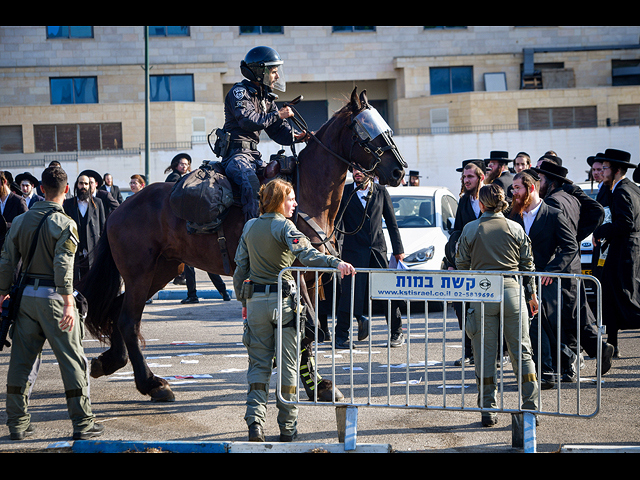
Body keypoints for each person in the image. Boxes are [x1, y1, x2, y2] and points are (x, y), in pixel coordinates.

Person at [233, 178, 355, 442]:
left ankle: (255, 423)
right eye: (290, 199)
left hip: (255, 305)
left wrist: (245, 301)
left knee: (258, 367)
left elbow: (240, 269)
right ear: (279, 201)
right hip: (283, 305)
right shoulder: (285, 226)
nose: (295, 203)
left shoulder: (250, 226)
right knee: (288, 367)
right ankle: (287, 428)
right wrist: (336, 263)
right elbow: (309, 255)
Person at [0, 166, 103, 441]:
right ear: (66, 190)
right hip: (55, 299)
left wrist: (1, 293)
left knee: (21, 362)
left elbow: (7, 261)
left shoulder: (21, 221)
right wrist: (69, 301)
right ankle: (82, 423)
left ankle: (17, 424)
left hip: (25, 299)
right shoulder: (65, 223)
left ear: (41, 189)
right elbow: (63, 264)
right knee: (72, 361)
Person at [455, 183, 539, 427]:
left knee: (484, 354)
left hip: (482, 292)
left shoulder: (471, 228)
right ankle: (530, 409)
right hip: (513, 290)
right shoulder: (515, 227)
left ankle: (488, 410)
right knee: (522, 352)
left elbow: (461, 264)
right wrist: (531, 294)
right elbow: (528, 264)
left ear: (481, 204)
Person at [533, 159, 613, 381]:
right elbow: (594, 211)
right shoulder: (569, 197)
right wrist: (575, 238)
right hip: (569, 261)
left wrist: (573, 240)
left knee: (567, 315)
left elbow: (595, 213)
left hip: (560, 263)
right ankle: (594, 351)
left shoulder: (553, 202)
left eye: (539, 179)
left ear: (550, 182)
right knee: (574, 313)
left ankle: (588, 354)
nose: (536, 183)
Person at [509, 170, 579, 388]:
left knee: (543, 324)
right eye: (513, 188)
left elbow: (570, 247)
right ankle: (553, 367)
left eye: (517, 188)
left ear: (530, 188)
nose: (514, 192)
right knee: (535, 325)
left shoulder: (553, 214)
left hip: (545, 278)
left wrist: (552, 269)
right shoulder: (513, 215)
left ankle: (551, 370)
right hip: (521, 278)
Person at [222, 46, 305, 221]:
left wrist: (298, 137)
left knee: (280, 182)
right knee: (252, 186)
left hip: (254, 155)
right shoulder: (239, 92)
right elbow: (247, 120)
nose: (277, 76)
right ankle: (251, 234)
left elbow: (278, 130)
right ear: (260, 72)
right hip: (236, 156)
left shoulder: (265, 97)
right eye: (274, 71)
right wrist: (278, 114)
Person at [335, 167, 405, 349]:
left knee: (386, 292)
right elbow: (337, 222)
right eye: (354, 169)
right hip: (352, 252)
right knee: (348, 294)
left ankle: (396, 332)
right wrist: (335, 249)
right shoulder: (346, 191)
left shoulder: (381, 191)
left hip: (377, 250)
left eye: (361, 169)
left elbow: (391, 222)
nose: (357, 172)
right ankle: (341, 335)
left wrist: (398, 249)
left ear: (371, 172)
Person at [593, 149, 640, 357]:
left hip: (624, 252)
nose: (602, 172)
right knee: (612, 296)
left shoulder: (622, 191)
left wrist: (601, 231)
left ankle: (612, 343)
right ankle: (612, 344)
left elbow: (626, 224)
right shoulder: (631, 188)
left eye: (605, 168)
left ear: (617, 170)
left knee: (626, 299)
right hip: (625, 250)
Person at [445, 159, 486, 366]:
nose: (466, 180)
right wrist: (452, 261)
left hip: (487, 264)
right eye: (464, 176)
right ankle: (469, 352)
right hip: (466, 264)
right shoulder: (463, 201)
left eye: (470, 176)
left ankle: (492, 354)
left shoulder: (490, 197)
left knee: (487, 311)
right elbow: (457, 233)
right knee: (464, 309)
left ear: (481, 178)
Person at [63, 173, 106, 283]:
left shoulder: (98, 203)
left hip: (93, 251)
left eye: (86, 183)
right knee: (76, 282)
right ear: (77, 185)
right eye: (81, 183)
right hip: (75, 251)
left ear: (90, 186)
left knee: (93, 282)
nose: (83, 186)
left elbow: (102, 227)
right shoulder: (68, 204)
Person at [0, 172, 28, 252]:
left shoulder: (18, 201)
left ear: (4, 182)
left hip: (14, 252)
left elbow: (26, 225)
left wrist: (6, 226)